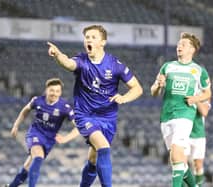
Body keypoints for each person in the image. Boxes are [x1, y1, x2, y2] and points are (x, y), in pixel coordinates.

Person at [47, 24, 143, 187]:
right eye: (86, 37)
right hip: (85, 115)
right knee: (104, 148)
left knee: (93, 158)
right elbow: (68, 63)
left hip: (108, 117)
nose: (88, 40)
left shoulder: (115, 65)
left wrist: (124, 98)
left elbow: (138, 88)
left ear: (102, 42)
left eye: (93, 37)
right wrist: (58, 55)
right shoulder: (82, 61)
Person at [150, 32, 211, 187]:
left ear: (192, 49)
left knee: (177, 153)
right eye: (178, 44)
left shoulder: (198, 71)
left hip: (185, 115)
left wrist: (195, 99)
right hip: (166, 116)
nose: (179, 46)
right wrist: (158, 85)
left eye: (183, 44)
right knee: (177, 160)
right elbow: (153, 92)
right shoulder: (167, 66)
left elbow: (207, 93)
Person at [5, 78, 79, 187]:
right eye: (52, 90)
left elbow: (79, 127)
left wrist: (66, 138)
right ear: (46, 90)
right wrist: (16, 125)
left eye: (57, 91)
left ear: (61, 92)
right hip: (35, 133)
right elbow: (25, 110)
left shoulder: (65, 107)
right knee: (38, 156)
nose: (54, 93)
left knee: (28, 165)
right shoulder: (37, 100)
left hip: (49, 140)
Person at [184, 99, 211, 187]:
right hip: (184, 132)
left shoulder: (204, 94)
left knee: (198, 165)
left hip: (198, 134)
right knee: (182, 163)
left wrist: (194, 98)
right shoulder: (185, 90)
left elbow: (204, 112)